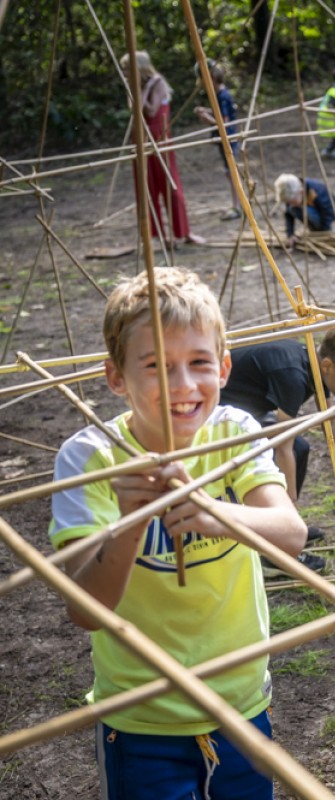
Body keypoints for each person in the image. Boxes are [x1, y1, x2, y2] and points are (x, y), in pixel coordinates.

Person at [49, 267, 306, 799]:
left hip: (241, 702)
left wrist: (215, 513)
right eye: (156, 367)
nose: (183, 387)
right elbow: (83, 608)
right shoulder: (90, 459)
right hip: (142, 715)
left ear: (225, 366)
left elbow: (290, 534)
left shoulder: (234, 432)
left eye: (198, 363)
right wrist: (131, 520)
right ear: (116, 377)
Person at [220, 327, 335, 575]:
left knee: (299, 447)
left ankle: (285, 525)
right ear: (328, 366)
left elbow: (331, 423)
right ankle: (276, 551)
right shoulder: (293, 375)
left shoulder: (315, 367)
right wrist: (289, 517)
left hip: (247, 411)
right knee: (296, 448)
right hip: (218, 416)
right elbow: (283, 446)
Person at [119, 51, 205, 245]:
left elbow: (150, 110)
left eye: (127, 68)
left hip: (160, 137)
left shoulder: (157, 82)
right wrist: (136, 89)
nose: (124, 72)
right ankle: (158, 236)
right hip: (140, 138)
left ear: (139, 67)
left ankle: (183, 232)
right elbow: (135, 110)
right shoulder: (132, 86)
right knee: (147, 188)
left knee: (171, 185)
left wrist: (146, 88)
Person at [194, 58, 242, 220]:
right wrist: (207, 111)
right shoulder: (220, 95)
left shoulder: (222, 96)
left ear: (211, 78)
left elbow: (224, 123)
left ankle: (237, 206)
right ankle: (236, 204)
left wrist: (207, 118)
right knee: (230, 173)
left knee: (232, 172)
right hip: (224, 140)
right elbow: (220, 114)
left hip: (229, 140)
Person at [274, 173, 335, 249]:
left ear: (301, 192)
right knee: (291, 209)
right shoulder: (291, 193)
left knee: (305, 211)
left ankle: (319, 229)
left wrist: (325, 234)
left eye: (292, 201)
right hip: (311, 211)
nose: (290, 204)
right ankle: (313, 228)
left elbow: (328, 212)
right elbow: (288, 214)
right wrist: (290, 234)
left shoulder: (315, 191)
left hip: (328, 213)